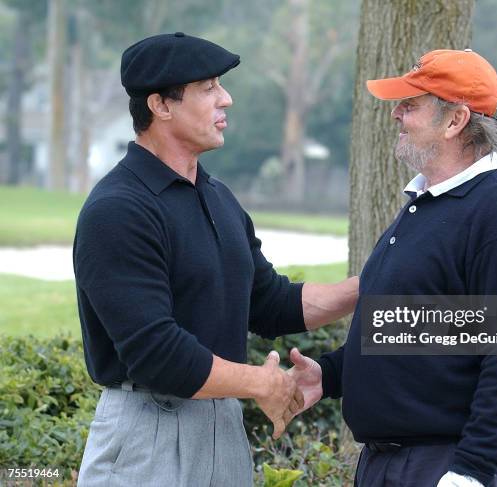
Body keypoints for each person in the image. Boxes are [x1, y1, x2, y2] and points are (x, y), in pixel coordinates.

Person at [73, 32, 359, 487]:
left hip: (223, 428)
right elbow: (156, 354)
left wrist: (367, 287)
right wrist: (261, 383)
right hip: (148, 432)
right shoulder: (118, 210)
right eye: (207, 87)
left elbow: (269, 303)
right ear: (161, 106)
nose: (225, 99)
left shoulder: (218, 198)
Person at [288, 49, 497, 487]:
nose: (396, 115)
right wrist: (331, 375)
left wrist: (471, 472)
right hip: (389, 464)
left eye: (410, 105)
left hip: (448, 466)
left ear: (455, 121)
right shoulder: (424, 207)